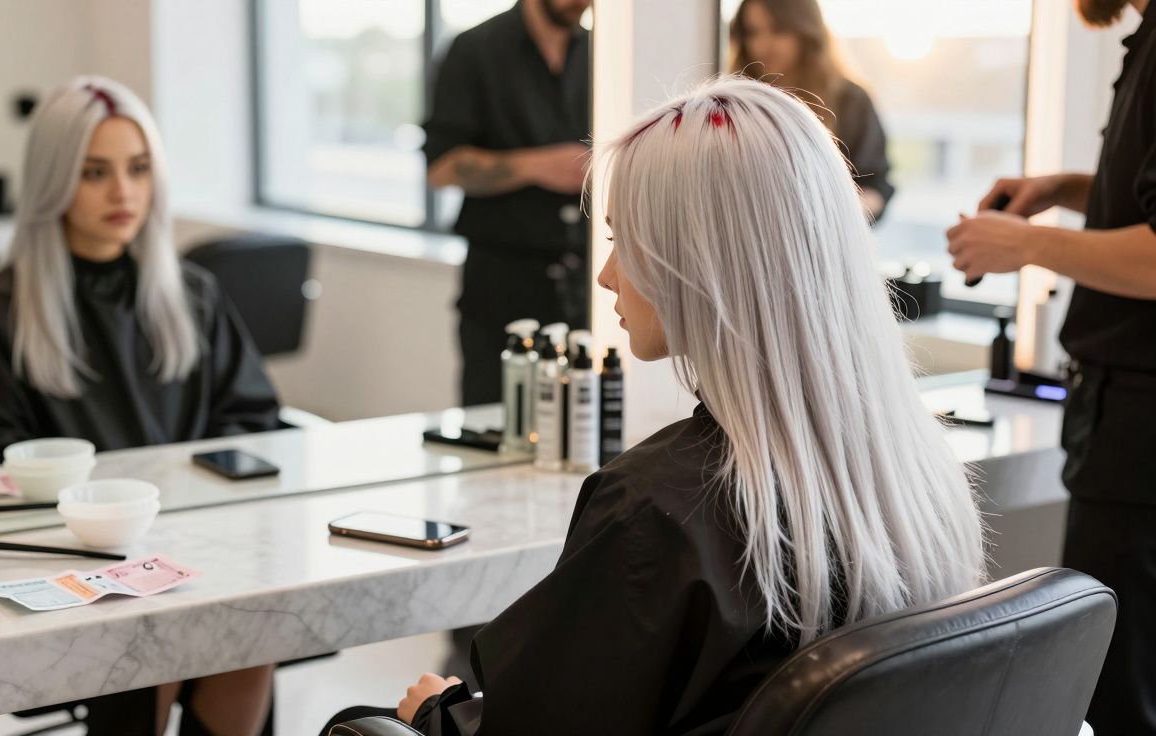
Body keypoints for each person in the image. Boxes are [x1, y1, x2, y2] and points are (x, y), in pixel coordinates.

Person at [322, 76, 985, 736]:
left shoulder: (657, 514)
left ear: (693, 261)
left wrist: (439, 713)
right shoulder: (913, 466)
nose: (607, 275)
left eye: (620, 241)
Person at [0, 77, 279, 736]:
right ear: (54, 180)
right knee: (161, 636)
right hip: (69, 558)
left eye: (138, 169)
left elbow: (255, 422)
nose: (123, 192)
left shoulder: (193, 295)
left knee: (249, 627)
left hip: (195, 545)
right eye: (95, 173)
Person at [946, 0, 1155, 731]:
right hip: (1123, 417)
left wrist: (1026, 246)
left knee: (1120, 694)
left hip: (1140, 429)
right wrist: (1068, 191)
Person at [423, 0, 592, 406]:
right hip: (501, 287)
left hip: (585, 285)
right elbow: (441, 169)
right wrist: (537, 165)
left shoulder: (600, 54)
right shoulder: (474, 50)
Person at [728, 0, 893, 219]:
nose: (764, 43)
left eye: (779, 29)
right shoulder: (735, 101)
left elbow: (875, 186)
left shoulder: (851, 100)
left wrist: (832, 217)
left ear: (806, 29)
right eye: (752, 32)